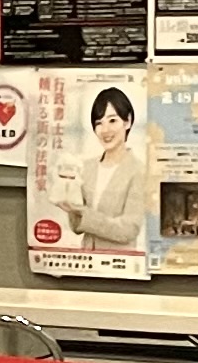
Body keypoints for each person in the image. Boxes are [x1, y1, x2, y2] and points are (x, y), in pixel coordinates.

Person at [62, 82, 150, 249]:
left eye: (112, 120)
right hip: (86, 260)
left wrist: (84, 213)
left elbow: (129, 229)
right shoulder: (86, 167)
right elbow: (76, 228)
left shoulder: (138, 171)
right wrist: (69, 202)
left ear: (128, 121)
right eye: (99, 123)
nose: (105, 130)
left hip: (119, 261)